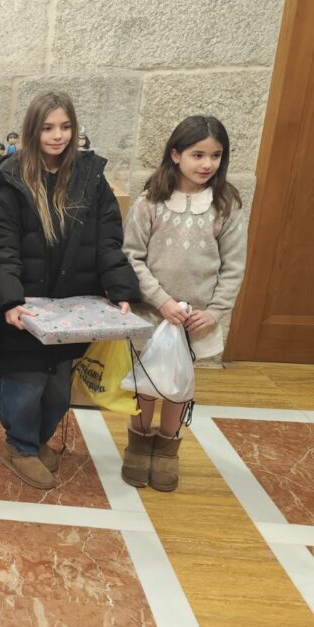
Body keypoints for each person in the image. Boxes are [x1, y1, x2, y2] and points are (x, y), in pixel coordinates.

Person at [0, 91, 140, 491]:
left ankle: (37, 439)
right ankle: (19, 446)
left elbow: (107, 240)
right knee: (26, 384)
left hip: (70, 308)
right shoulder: (9, 182)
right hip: (26, 308)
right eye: (48, 127)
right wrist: (10, 300)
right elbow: (1, 249)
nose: (58, 136)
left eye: (66, 127)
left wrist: (121, 288)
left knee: (56, 391)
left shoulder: (90, 178)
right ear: (32, 131)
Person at [121, 116, 246, 492]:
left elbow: (234, 266)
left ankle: (167, 450)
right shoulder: (149, 202)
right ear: (175, 155)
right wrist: (161, 300)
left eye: (215, 156)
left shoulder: (225, 205)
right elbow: (131, 256)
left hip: (195, 319)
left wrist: (215, 311)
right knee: (147, 383)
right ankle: (138, 446)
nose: (207, 164)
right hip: (152, 313)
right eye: (198, 154)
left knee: (178, 384)